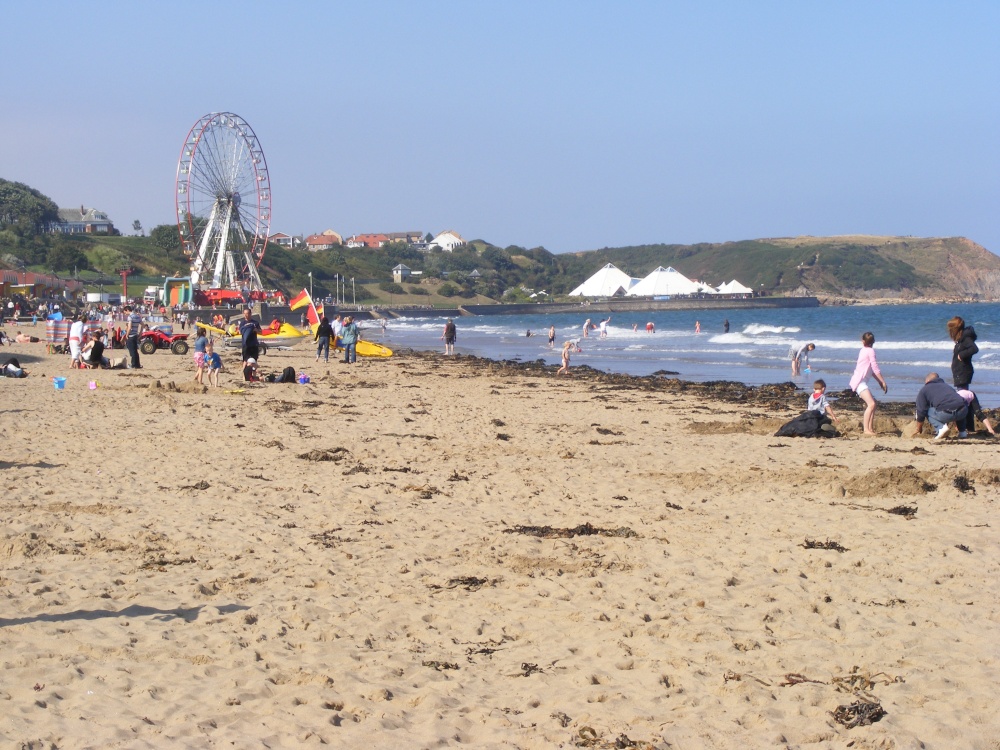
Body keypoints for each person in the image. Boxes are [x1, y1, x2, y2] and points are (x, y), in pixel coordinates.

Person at [849, 332, 888, 435]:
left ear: (863, 341)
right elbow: (875, 368)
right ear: (873, 341)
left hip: (859, 382)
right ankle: (866, 429)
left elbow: (871, 370)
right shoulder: (870, 351)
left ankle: (870, 429)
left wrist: (880, 381)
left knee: (873, 405)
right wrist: (883, 381)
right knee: (871, 404)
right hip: (859, 382)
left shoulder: (864, 350)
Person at [915, 372, 969, 443]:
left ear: (927, 381)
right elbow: (961, 401)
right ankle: (962, 432)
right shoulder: (947, 386)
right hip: (963, 411)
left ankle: (941, 428)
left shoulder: (924, 390)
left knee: (928, 411)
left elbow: (921, 412)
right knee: (958, 404)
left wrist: (919, 429)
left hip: (946, 413)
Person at [947, 316, 978, 435]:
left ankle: (964, 427)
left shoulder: (966, 338)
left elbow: (974, 349)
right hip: (960, 373)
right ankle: (968, 426)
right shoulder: (961, 339)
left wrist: (962, 355)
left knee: (964, 400)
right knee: (966, 399)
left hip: (963, 373)